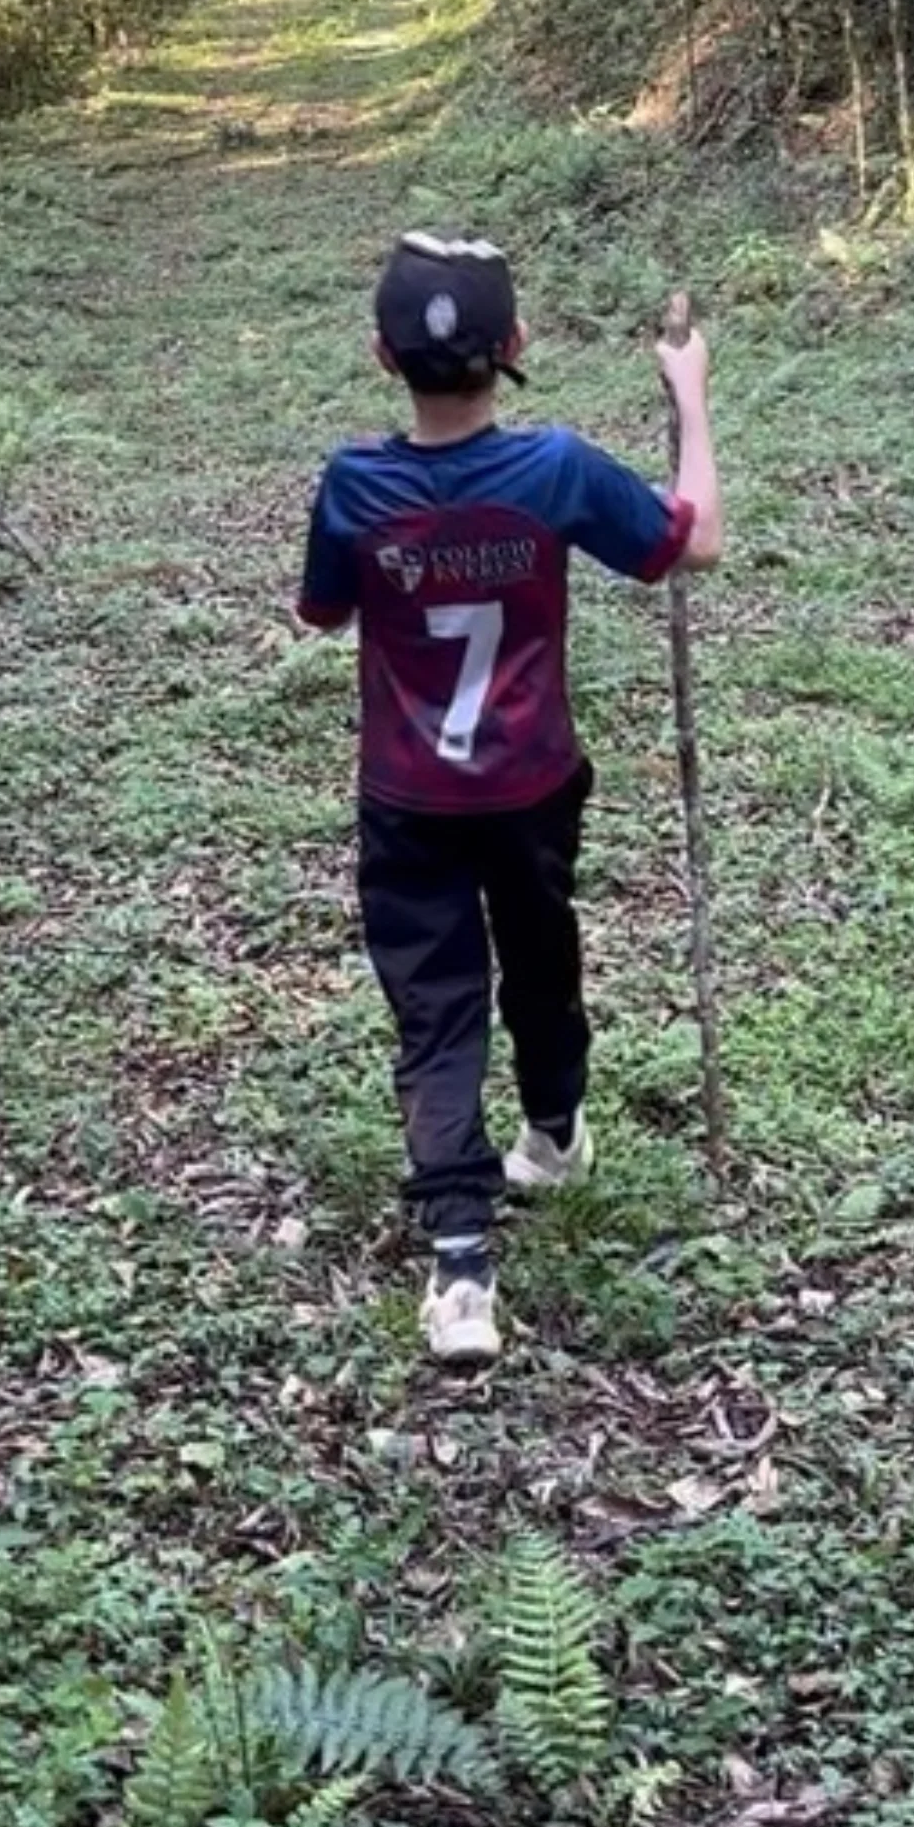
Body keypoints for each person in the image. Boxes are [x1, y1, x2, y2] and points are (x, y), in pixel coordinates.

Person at [296, 232, 722, 1365]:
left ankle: (463, 1265)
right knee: (541, 951)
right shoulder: (558, 469)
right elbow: (696, 543)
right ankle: (552, 1129)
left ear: (381, 357)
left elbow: (324, 613)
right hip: (533, 783)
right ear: (517, 346)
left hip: (407, 798)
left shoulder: (355, 485)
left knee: (436, 1008)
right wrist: (691, 397)